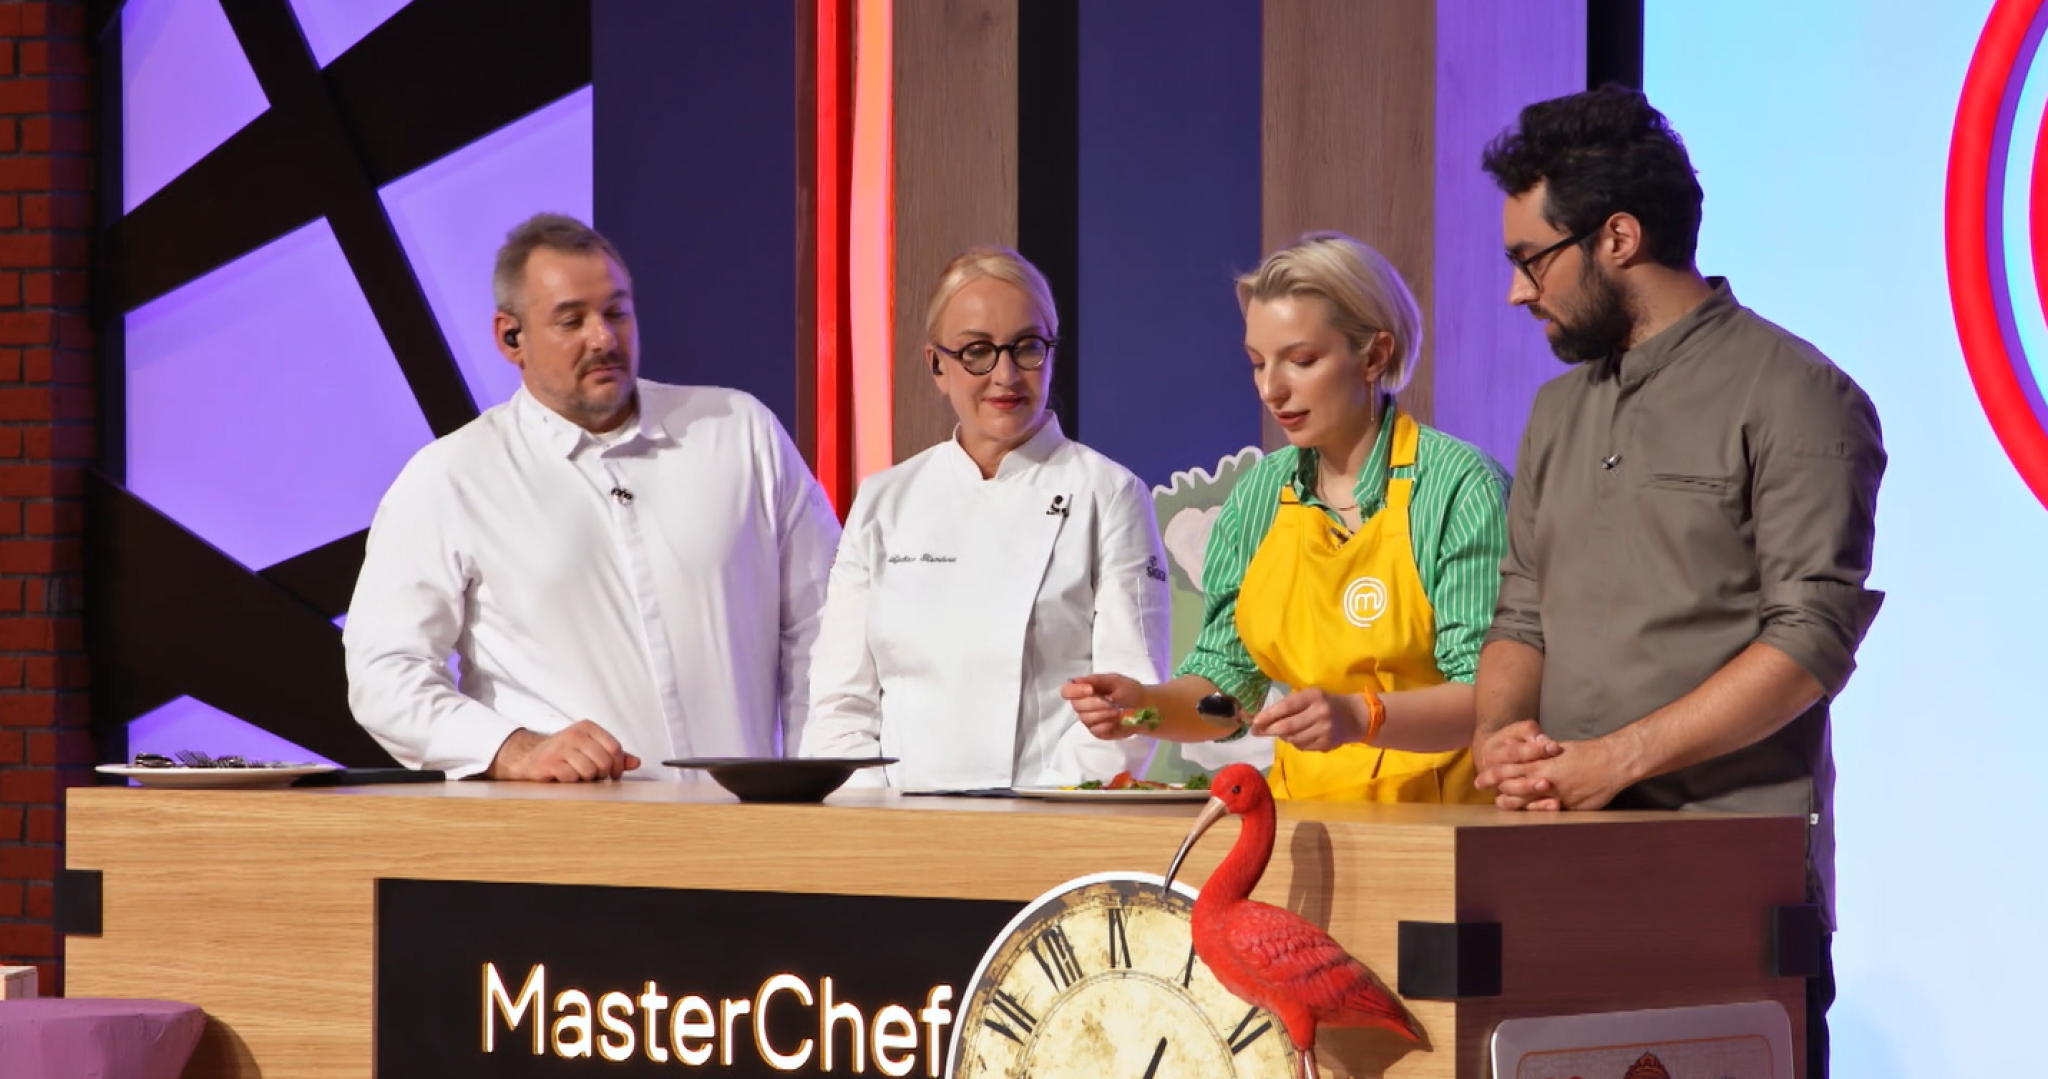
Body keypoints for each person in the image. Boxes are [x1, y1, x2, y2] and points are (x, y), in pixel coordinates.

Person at [1471, 86, 1885, 1079]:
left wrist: (1614, 759)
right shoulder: (1555, 411)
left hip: (1729, 879)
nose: (1517, 293)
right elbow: (1521, 610)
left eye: (1531, 259)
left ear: (1616, 237)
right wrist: (1497, 733)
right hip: (1557, 871)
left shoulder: (1796, 393)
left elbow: (1807, 644)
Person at [344, 213, 841, 781]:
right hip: (565, 828)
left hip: (744, 823)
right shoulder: (452, 477)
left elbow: (826, 627)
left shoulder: (737, 430)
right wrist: (513, 749)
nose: (603, 339)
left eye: (616, 313)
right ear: (511, 337)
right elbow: (385, 674)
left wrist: (815, 785)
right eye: (571, 320)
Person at [1064, 232, 1515, 803]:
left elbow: (1488, 700)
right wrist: (1145, 706)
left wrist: (1359, 716)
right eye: (1258, 363)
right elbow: (1226, 688)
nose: (1271, 389)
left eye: (1301, 361)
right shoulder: (1258, 496)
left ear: (1374, 356)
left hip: (1445, 823)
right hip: (1303, 822)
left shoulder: (1460, 486)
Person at [801, 246, 1169, 790]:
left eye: (1027, 347)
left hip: (1047, 816)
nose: (1005, 375)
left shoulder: (1110, 494)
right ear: (937, 365)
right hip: (895, 822)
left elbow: (1130, 705)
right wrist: (872, 816)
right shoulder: (883, 500)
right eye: (977, 351)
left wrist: (1042, 810)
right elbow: (839, 703)